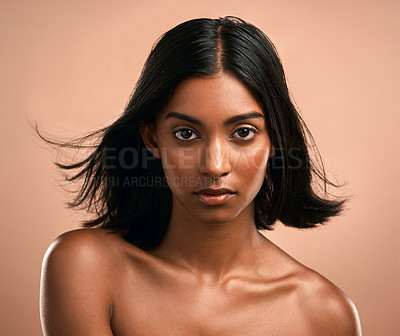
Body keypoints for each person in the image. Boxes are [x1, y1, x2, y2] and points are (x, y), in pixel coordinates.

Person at [39, 16, 362, 335]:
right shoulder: (85, 267)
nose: (214, 165)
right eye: (186, 134)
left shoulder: (324, 316)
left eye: (244, 132)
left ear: (275, 139)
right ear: (152, 139)